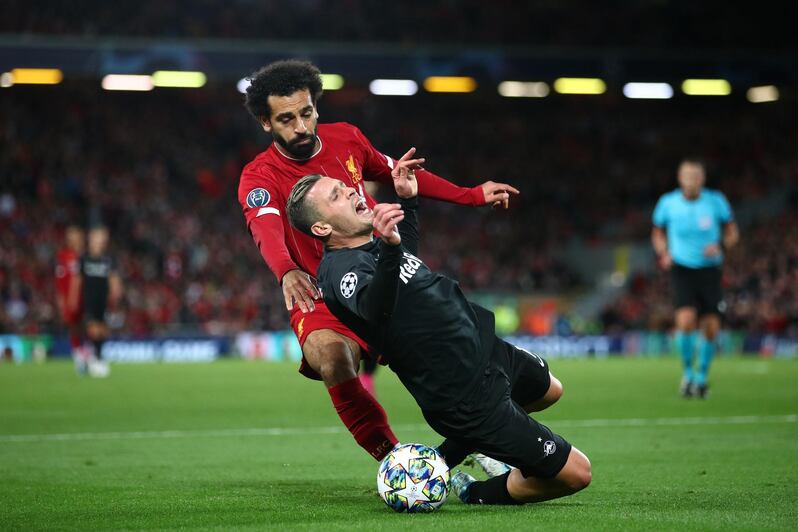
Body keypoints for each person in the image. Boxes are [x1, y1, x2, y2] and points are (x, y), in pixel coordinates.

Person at [237, 59, 519, 461]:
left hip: (379, 271)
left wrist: (471, 194)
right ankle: (397, 461)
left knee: (448, 350)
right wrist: (286, 271)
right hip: (321, 292)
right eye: (286, 119)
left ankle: (477, 440)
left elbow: (399, 173)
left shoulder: (347, 138)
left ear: (316, 107)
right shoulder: (259, 175)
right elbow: (265, 227)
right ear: (266, 122)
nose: (300, 126)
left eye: (306, 113)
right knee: (333, 358)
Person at [285, 155, 591, 505]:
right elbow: (375, 308)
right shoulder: (340, 271)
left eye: (344, 186)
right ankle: (474, 491)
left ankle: (446, 457)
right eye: (337, 196)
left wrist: (409, 203)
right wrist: (389, 247)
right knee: (577, 474)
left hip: (485, 349)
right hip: (463, 394)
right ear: (322, 229)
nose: (353, 192)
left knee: (549, 390)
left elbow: (407, 264)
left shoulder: (373, 245)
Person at [652, 159, 739, 398]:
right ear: (680, 179)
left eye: (696, 176)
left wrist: (721, 245)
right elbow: (657, 233)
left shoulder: (716, 201)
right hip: (682, 268)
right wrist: (664, 252)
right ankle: (688, 374)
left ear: (702, 179)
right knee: (686, 320)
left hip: (710, 270)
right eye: (687, 176)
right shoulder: (667, 203)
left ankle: (702, 376)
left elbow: (732, 231)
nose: (691, 180)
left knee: (711, 327)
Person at [77, 226, 123, 377]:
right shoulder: (84, 258)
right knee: (92, 328)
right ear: (91, 239)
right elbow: (78, 279)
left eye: (103, 238)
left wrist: (116, 292)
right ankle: (95, 358)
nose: (101, 241)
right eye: (98, 237)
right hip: (89, 297)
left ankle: (96, 356)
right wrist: (74, 297)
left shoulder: (108, 258)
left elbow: (114, 278)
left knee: (102, 329)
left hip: (103, 298)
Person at [55, 225, 87, 372]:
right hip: (70, 298)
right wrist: (62, 300)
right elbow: (60, 281)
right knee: (74, 327)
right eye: (70, 236)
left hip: (86, 297)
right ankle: (78, 356)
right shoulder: (63, 256)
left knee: (87, 326)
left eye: (75, 236)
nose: (73, 239)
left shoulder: (85, 255)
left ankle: (88, 354)